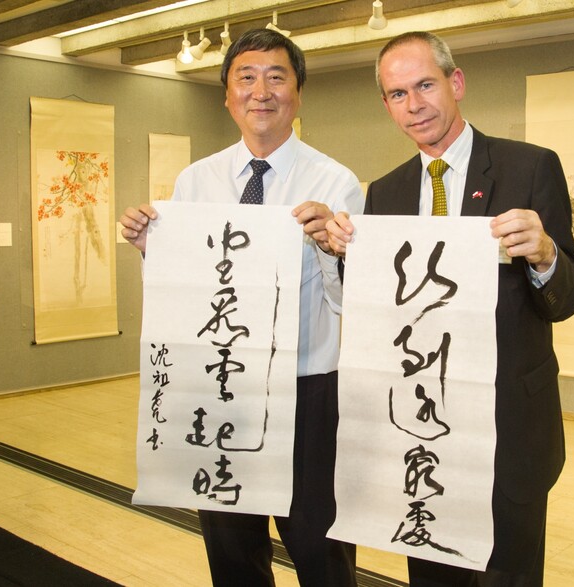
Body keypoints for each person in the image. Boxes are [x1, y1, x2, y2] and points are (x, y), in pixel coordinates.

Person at [326, 31, 574, 587]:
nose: (414, 105)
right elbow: (380, 311)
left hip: (508, 427)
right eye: (397, 94)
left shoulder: (529, 168)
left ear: (456, 82)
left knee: (507, 576)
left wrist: (544, 254)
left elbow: (567, 298)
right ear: (387, 105)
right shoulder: (386, 194)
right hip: (421, 427)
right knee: (431, 570)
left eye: (425, 85)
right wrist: (345, 255)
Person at [119, 29, 363, 587]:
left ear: (298, 94)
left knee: (319, 548)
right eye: (246, 78)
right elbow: (184, 295)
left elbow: (351, 301)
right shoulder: (195, 180)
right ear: (226, 95)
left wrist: (331, 247)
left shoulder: (336, 183)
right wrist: (152, 252)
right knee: (232, 550)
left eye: (277, 77)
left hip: (307, 391)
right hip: (221, 384)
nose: (261, 91)